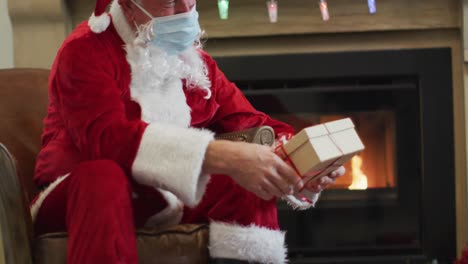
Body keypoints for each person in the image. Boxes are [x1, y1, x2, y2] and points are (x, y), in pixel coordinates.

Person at [30, 0, 346, 263]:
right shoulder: (84, 50)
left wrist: (300, 163)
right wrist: (219, 155)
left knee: (241, 180)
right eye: (170, 2)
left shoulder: (194, 63)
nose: (185, 11)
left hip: (162, 195)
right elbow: (109, 140)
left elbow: (251, 123)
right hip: (81, 192)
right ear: (129, 4)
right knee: (102, 177)